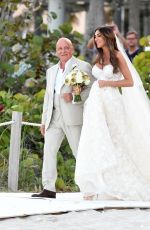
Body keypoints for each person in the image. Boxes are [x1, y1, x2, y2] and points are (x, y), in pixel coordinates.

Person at [75, 26, 150, 201]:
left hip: (112, 102)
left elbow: (129, 82)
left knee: (117, 139)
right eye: (95, 36)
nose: (96, 39)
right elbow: (91, 57)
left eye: (99, 36)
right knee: (97, 139)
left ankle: (124, 182)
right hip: (96, 103)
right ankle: (97, 185)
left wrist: (108, 83)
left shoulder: (117, 56)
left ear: (108, 37)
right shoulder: (98, 56)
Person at [32, 37, 93, 198]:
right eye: (60, 48)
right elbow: (48, 97)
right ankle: (49, 188)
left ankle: (89, 188)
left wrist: (74, 96)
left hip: (73, 116)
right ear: (56, 51)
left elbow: (91, 91)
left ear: (72, 49)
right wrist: (44, 120)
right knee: (49, 150)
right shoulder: (51, 71)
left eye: (66, 48)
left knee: (79, 152)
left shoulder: (83, 66)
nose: (63, 51)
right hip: (54, 117)